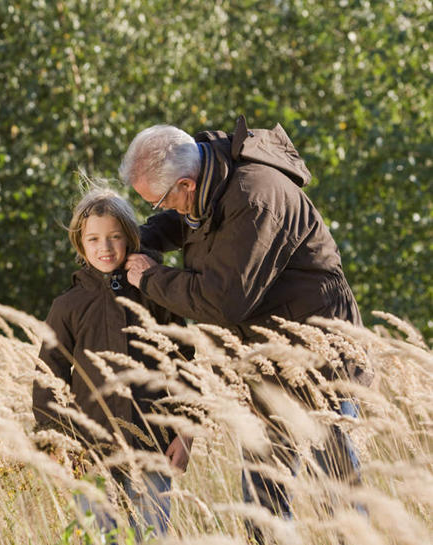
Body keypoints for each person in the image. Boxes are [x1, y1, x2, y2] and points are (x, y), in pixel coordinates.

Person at [119, 116, 372, 543]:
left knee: (339, 500)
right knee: (263, 508)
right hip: (265, 371)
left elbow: (221, 300)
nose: (160, 209)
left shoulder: (256, 199)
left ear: (187, 184)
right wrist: (128, 243)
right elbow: (180, 224)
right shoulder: (210, 181)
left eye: (160, 200)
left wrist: (148, 278)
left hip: (322, 366)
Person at [33, 187, 192, 540]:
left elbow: (184, 363)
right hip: (90, 455)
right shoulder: (69, 306)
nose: (104, 248)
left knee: (150, 537)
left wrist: (186, 432)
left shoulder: (154, 294)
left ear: (130, 238)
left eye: (114, 237)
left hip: (153, 448)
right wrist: (58, 444)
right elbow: (48, 376)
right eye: (94, 239)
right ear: (80, 244)